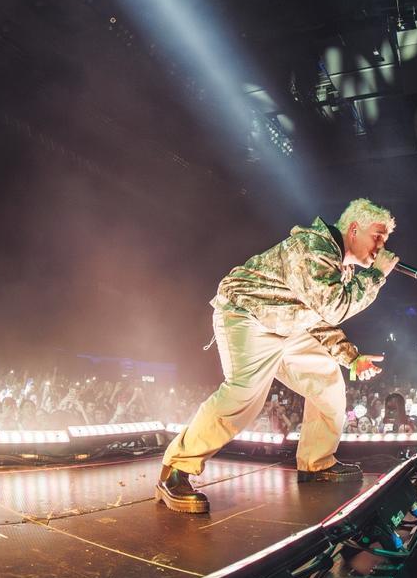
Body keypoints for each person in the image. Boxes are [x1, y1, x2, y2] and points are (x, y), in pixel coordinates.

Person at [156, 199, 400, 513]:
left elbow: (317, 318)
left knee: (327, 383)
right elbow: (333, 307)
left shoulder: (339, 263)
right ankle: (176, 470)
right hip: (248, 315)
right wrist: (376, 276)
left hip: (287, 326)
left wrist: (351, 358)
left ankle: (316, 462)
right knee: (245, 393)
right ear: (354, 229)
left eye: (385, 240)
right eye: (377, 236)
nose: (381, 246)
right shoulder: (314, 248)